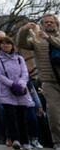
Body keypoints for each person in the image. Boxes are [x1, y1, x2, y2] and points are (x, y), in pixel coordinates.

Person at [19, 15, 60, 146]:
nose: (49, 24)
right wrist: (24, 30)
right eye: (46, 22)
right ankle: (58, 142)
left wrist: (49, 39)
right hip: (49, 82)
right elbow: (21, 43)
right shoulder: (36, 40)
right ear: (42, 25)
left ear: (57, 24)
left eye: (51, 22)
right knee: (53, 114)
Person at [0, 35, 34, 150]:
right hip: (5, 90)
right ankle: (15, 139)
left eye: (8, 43)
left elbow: (25, 73)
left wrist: (20, 84)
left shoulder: (19, 58)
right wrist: (11, 84)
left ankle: (25, 141)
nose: (6, 45)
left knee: (22, 117)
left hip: (20, 91)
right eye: (3, 43)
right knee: (10, 116)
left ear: (12, 45)